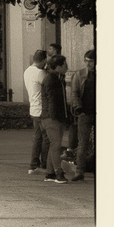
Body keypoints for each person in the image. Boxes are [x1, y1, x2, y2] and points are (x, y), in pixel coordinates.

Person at [41, 55, 71, 183]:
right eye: (65, 65)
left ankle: (50, 173)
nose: (67, 68)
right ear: (58, 67)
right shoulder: (52, 79)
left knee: (54, 145)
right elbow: (53, 100)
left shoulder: (57, 78)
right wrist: (59, 117)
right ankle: (58, 173)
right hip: (52, 117)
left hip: (54, 116)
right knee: (56, 145)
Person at [69, 49, 94, 182]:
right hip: (85, 112)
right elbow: (74, 93)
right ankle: (80, 171)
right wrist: (78, 108)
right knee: (82, 143)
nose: (88, 64)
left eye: (90, 61)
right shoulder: (80, 75)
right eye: (86, 61)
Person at [24, 49, 48, 175]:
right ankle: (43, 164)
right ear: (43, 60)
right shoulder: (40, 73)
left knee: (37, 137)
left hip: (33, 108)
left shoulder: (27, 71)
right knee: (45, 138)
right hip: (41, 109)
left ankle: (33, 165)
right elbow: (48, 85)